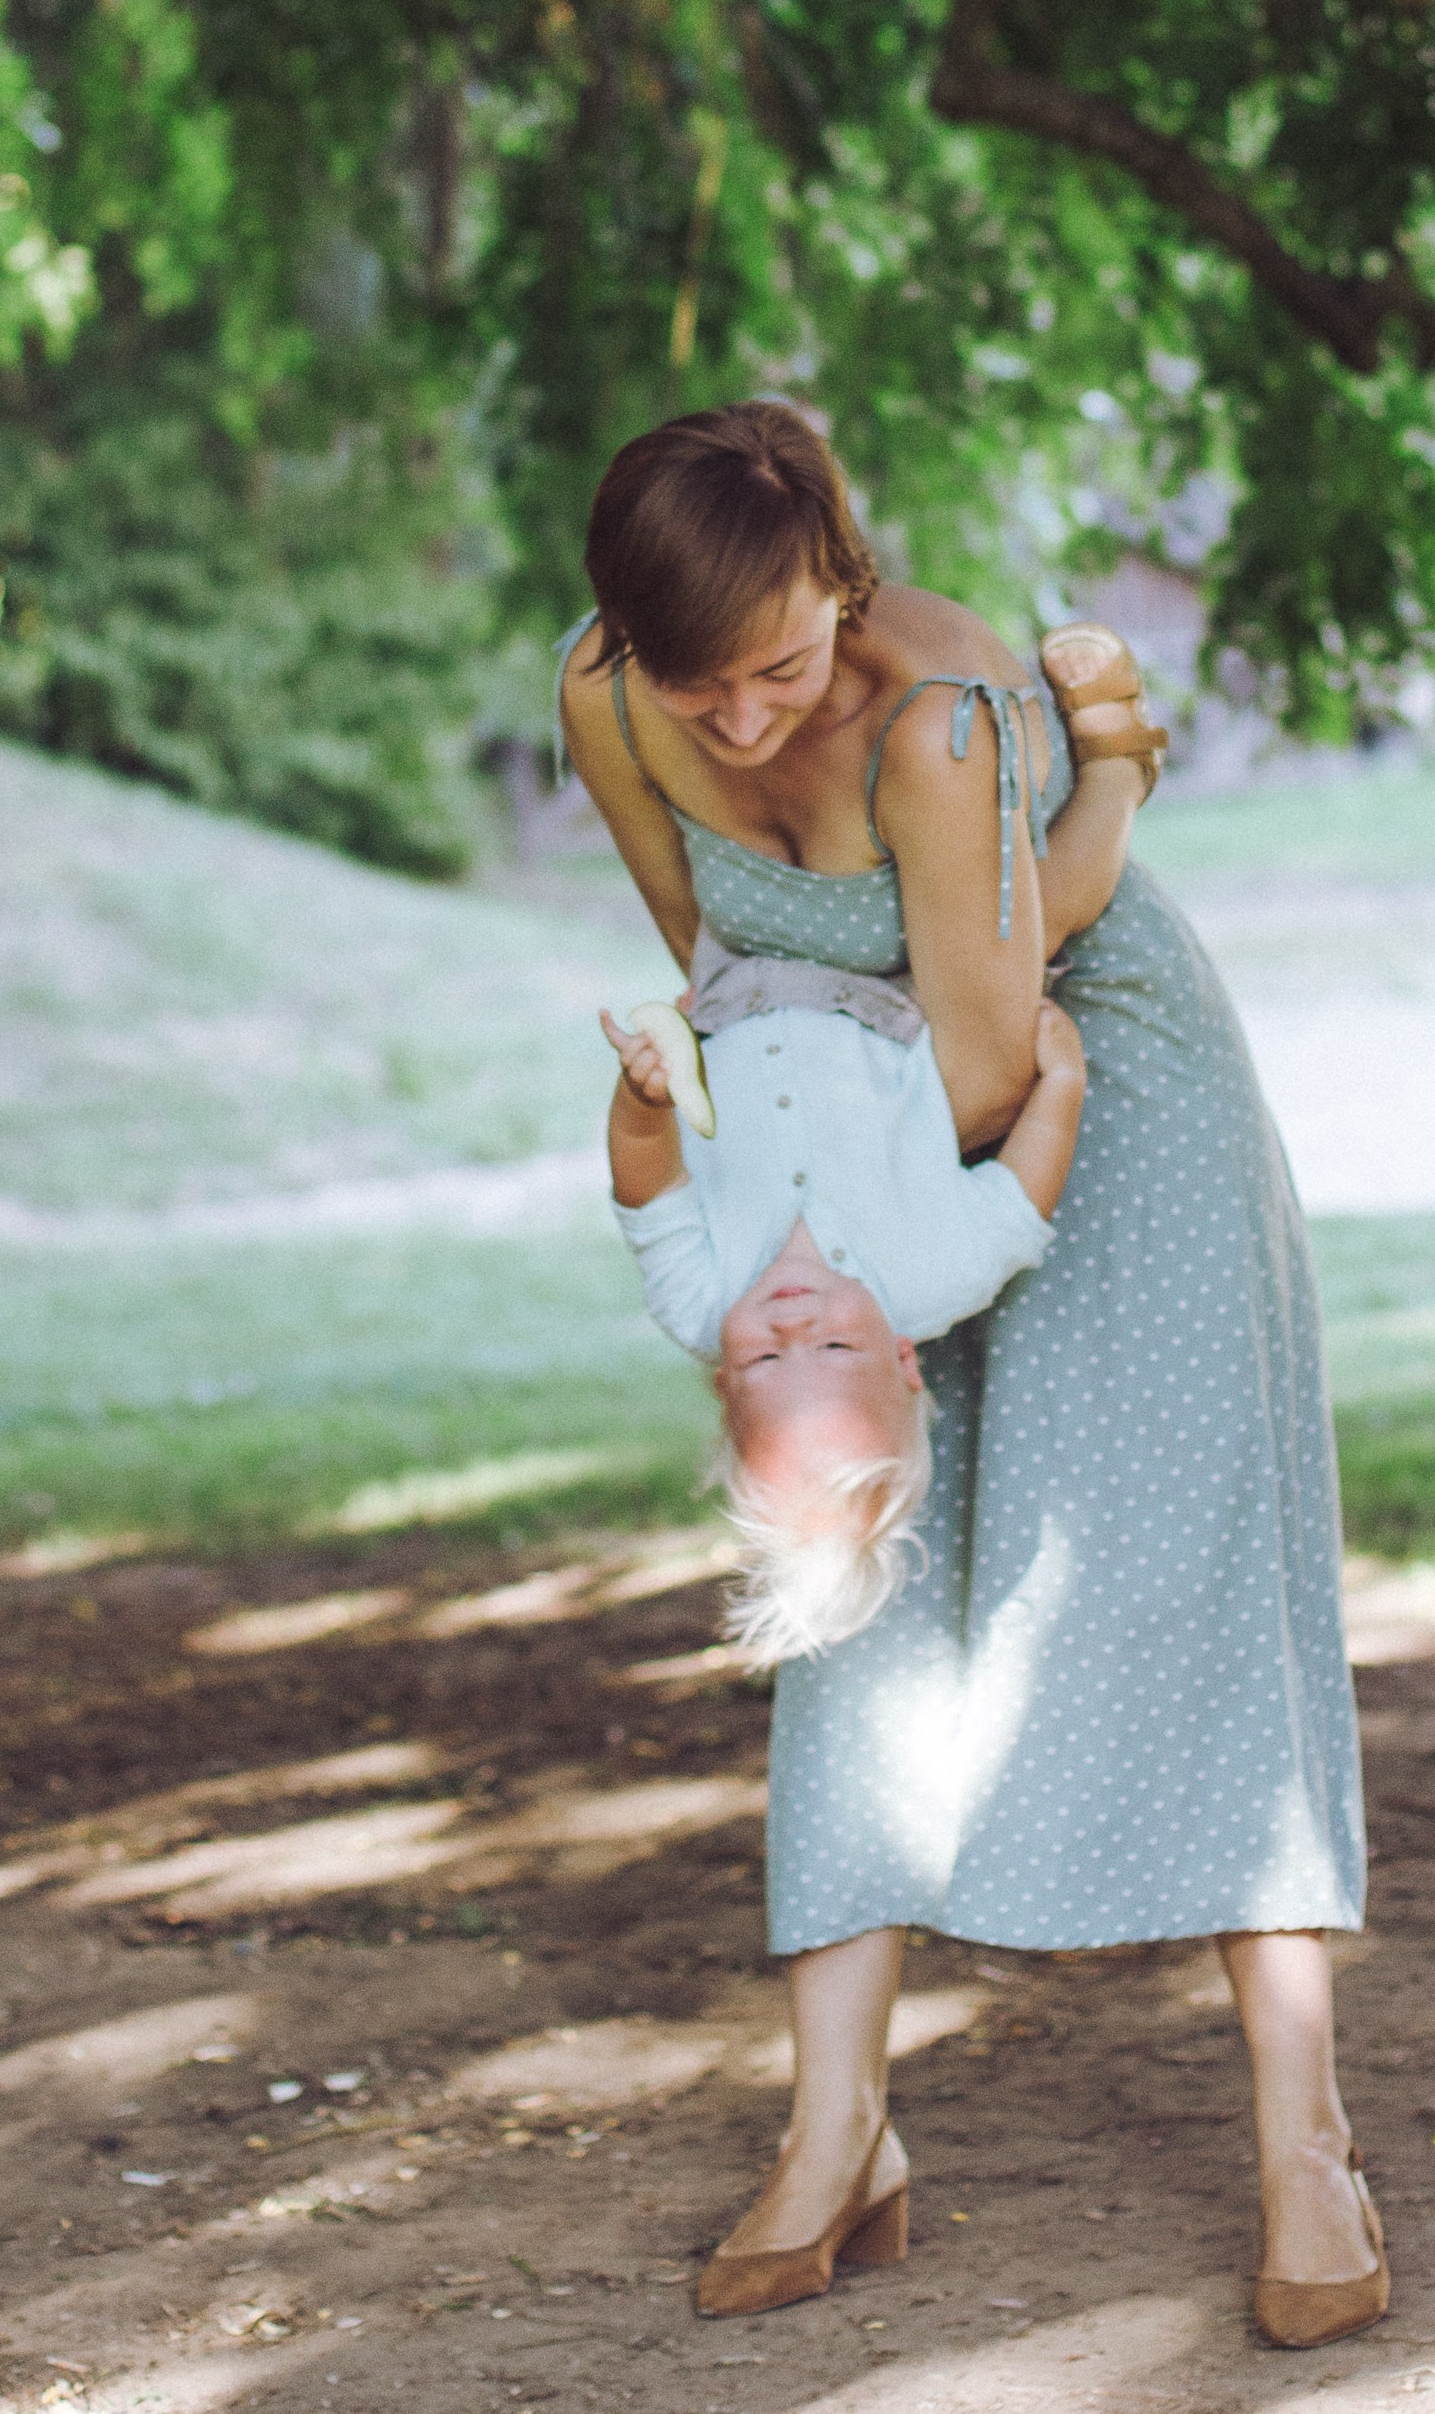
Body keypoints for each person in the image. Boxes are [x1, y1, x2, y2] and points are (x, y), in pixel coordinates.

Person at [559, 400, 1385, 2349]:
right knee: (850, 1597)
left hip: (1089, 1103)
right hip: (863, 1138)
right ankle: (839, 2133)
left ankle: (1306, 2145)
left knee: (1179, 1586)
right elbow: (729, 970)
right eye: (703, 688)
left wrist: (858, 1248)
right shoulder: (612, 700)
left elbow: (997, 1047)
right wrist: (781, 1272)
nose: (743, 720)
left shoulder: (937, 723)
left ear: (843, 587)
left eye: (780, 666)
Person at [600, 970, 1088, 1661]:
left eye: (764, 1360)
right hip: (886, 982)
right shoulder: (939, 1275)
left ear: (722, 1384)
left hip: (730, 989)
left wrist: (644, 1103)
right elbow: (1020, 1204)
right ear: (902, 1356)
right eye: (834, 1347)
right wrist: (1063, 1084)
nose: (791, 1327)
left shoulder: (695, 1299)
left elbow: (645, 1181)